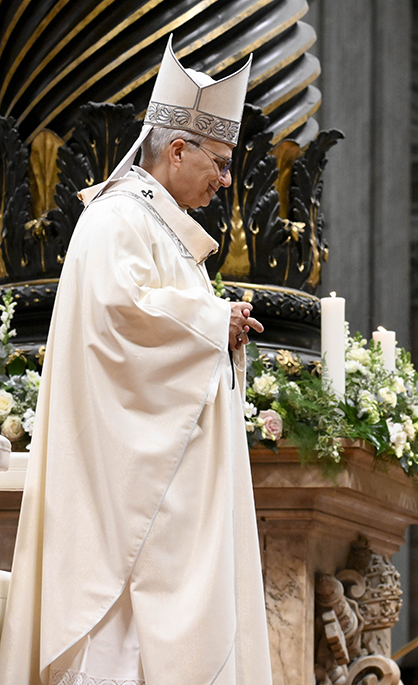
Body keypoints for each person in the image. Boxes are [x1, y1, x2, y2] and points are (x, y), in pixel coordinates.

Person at [0, 37, 273, 684]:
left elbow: (155, 322)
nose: (227, 181)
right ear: (177, 148)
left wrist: (216, 330)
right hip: (128, 506)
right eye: (222, 163)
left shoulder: (163, 230)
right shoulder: (118, 218)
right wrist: (211, 320)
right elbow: (121, 325)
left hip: (168, 487)